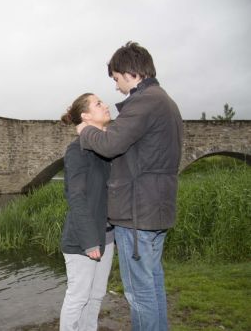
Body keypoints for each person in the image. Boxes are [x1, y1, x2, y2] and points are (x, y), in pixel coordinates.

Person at [76, 41, 183, 331]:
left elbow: (110, 144)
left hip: (137, 214)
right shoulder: (167, 101)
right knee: (153, 282)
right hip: (155, 210)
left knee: (139, 292)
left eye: (116, 79)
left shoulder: (144, 101)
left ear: (129, 72)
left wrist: (85, 132)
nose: (116, 87)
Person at [59, 93, 114, 331]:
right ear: (85, 116)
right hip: (84, 238)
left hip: (108, 236)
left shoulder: (106, 147)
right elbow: (76, 197)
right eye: (98, 103)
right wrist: (90, 241)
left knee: (96, 296)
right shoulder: (77, 150)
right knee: (78, 297)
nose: (106, 105)